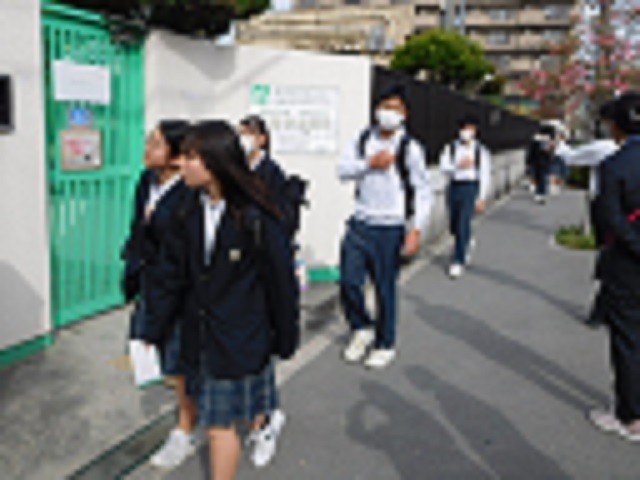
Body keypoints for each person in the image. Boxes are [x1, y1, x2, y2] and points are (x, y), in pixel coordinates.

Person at [140, 120, 299, 480]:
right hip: (200, 334)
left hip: (240, 336)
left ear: (214, 163)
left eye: (191, 157)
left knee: (218, 425)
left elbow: (280, 283)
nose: (182, 164)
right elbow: (170, 275)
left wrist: (285, 338)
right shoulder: (187, 208)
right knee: (220, 417)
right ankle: (263, 420)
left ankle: (264, 424)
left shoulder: (256, 215)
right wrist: (153, 328)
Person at [337, 84, 432, 369]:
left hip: (390, 227)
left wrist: (416, 230)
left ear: (405, 114)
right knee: (348, 281)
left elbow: (423, 191)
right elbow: (342, 171)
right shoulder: (362, 139)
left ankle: (385, 343)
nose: (389, 113)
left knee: (384, 288)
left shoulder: (410, 148)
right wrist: (369, 163)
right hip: (360, 222)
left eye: (395, 108)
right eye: (385, 107)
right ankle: (361, 327)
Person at [121, 120, 198, 469]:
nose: (147, 149)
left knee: (179, 363)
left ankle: (185, 430)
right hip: (151, 282)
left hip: (179, 290)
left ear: (176, 156)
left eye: (156, 144)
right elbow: (138, 229)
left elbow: (181, 257)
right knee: (164, 358)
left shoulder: (189, 192)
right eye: (148, 141)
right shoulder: (147, 181)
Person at [589, 91, 640, 442]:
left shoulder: (615, 165)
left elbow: (611, 219)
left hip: (627, 262)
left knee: (628, 339)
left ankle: (630, 415)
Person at [555, 102, 619, 328]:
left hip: (604, 206)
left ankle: (602, 311)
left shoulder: (603, 147)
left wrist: (560, 141)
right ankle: (604, 310)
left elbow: (570, 157)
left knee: (611, 256)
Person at [439, 115, 491, 279]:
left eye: (470, 129)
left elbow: (484, 175)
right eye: (464, 128)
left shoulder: (480, 151)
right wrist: (457, 165)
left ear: (475, 131)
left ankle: (458, 260)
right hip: (454, 186)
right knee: (454, 224)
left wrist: (481, 198)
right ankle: (466, 240)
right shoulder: (451, 148)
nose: (466, 132)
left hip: (471, 187)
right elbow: (443, 167)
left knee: (463, 222)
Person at [526, 124, 556, 204]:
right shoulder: (547, 139)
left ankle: (538, 193)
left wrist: (528, 162)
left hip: (535, 161)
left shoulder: (535, 138)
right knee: (542, 177)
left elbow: (530, 151)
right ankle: (541, 194)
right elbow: (546, 151)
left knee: (538, 177)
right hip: (544, 161)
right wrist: (551, 149)